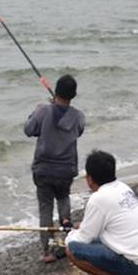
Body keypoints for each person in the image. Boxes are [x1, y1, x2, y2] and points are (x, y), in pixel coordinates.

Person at [65, 150, 138, 275]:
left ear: (89, 179)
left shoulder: (98, 198)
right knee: (92, 239)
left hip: (136, 268)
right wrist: (83, 227)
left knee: (72, 249)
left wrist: (69, 236)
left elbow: (82, 239)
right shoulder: (123, 187)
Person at [23, 75, 85, 263]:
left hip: (43, 169)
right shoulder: (78, 116)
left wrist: (36, 112)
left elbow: (28, 130)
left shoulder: (43, 111)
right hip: (66, 170)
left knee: (45, 208)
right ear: (73, 95)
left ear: (56, 91)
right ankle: (67, 243)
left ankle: (46, 251)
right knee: (63, 199)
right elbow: (79, 131)